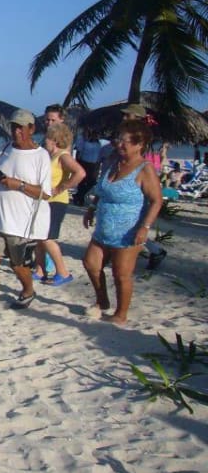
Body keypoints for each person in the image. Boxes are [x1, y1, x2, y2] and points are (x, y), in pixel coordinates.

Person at [82, 119, 163, 326]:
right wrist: (91, 208)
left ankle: (121, 314)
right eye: (118, 139)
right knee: (91, 264)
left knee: (121, 274)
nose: (119, 144)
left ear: (139, 144)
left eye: (125, 141)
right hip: (103, 227)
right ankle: (102, 300)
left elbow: (156, 200)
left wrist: (145, 227)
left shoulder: (145, 169)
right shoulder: (113, 162)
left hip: (128, 231)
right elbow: (101, 190)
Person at [0, 109, 52, 317]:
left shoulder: (41, 156)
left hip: (21, 223)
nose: (16, 131)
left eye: (21, 127)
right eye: (13, 126)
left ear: (32, 129)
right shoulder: (5, 148)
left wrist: (18, 185)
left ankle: (28, 290)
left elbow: (45, 193)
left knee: (18, 266)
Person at [34, 123, 85, 286]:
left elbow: (80, 173)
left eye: (47, 138)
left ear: (54, 140)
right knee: (39, 237)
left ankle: (63, 272)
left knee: (48, 238)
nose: (45, 141)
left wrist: (62, 187)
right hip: (45, 200)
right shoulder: (51, 155)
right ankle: (40, 270)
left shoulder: (63, 155)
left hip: (57, 201)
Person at [73, 129, 102, 205]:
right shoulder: (86, 143)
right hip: (84, 163)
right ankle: (80, 199)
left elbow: (99, 156)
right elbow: (79, 151)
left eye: (97, 135)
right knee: (82, 182)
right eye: (94, 134)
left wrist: (98, 166)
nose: (96, 136)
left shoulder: (99, 144)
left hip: (93, 165)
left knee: (91, 182)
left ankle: (79, 195)